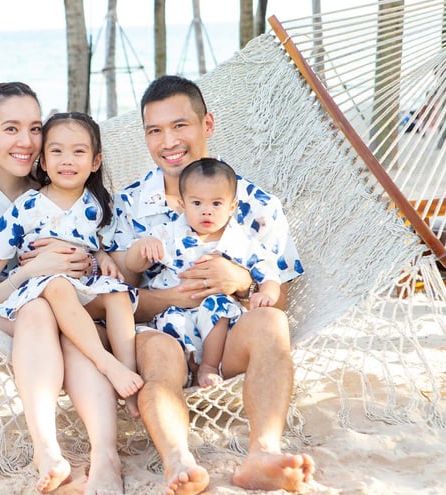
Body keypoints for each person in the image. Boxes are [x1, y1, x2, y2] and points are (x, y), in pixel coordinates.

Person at [111, 75, 315, 494]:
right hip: (163, 334)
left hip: (230, 337)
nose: (168, 141)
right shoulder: (128, 205)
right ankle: (178, 462)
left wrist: (241, 281)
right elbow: (108, 299)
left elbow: (281, 298)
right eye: (154, 130)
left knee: (273, 326)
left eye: (180, 125)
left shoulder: (257, 205)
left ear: (208, 125)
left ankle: (262, 452)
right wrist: (169, 297)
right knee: (155, 351)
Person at [0, 83, 124, 494]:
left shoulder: (64, 179)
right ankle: (47, 450)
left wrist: (86, 261)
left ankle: (105, 458)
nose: (27, 141)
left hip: (73, 307)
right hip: (6, 318)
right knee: (39, 308)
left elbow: (101, 245)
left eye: (35, 128)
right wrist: (31, 273)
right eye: (12, 128)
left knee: (68, 325)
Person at [0, 111, 143, 415]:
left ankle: (130, 376)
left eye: (78, 152)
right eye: (56, 151)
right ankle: (105, 362)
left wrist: (103, 257)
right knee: (58, 285)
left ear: (95, 162)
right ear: (43, 162)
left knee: (118, 294)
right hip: (42, 290)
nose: (67, 160)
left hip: (84, 288)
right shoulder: (28, 206)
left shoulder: (99, 204)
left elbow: (101, 242)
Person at [125, 158, 281, 389]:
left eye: (217, 203)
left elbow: (269, 273)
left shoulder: (240, 242)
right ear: (182, 204)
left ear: (232, 207)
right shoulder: (169, 234)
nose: (206, 210)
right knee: (171, 321)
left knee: (219, 306)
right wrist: (143, 247)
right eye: (197, 203)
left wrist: (266, 293)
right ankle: (187, 371)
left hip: (216, 319)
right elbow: (132, 265)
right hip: (175, 310)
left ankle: (208, 366)